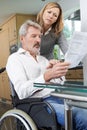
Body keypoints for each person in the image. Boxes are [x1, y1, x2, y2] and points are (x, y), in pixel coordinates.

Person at [6, 20, 87, 130]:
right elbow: (22, 91)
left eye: (39, 36)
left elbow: (59, 84)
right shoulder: (15, 59)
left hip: (57, 97)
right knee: (83, 117)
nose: (38, 40)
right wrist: (46, 76)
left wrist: (57, 73)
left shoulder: (43, 60)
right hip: (39, 104)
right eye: (33, 36)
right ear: (22, 38)